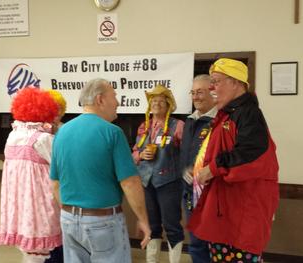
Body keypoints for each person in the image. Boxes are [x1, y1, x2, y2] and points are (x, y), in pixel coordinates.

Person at [188, 58, 279, 263]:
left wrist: (212, 168)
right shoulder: (227, 115)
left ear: (236, 83)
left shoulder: (248, 114)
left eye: (216, 81)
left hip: (241, 212)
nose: (211, 87)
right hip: (224, 210)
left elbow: (252, 153)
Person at [50, 78, 151, 263]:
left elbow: (55, 183)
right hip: (102, 222)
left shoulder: (61, 133)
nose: (118, 102)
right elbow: (130, 182)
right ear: (100, 99)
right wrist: (143, 219)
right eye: (114, 96)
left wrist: (71, 212)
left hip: (68, 219)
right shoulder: (112, 133)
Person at [0, 87, 64, 263]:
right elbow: (63, 167)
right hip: (41, 203)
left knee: (29, 252)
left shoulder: (13, 136)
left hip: (20, 204)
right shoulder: (43, 139)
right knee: (47, 252)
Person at [132, 85, 185, 263]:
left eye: (161, 101)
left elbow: (188, 153)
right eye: (153, 101)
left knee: (172, 225)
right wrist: (140, 155)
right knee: (152, 226)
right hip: (147, 182)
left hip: (169, 182)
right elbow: (134, 152)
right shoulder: (143, 126)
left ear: (168, 104)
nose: (156, 103)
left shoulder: (178, 126)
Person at [179, 74, 217, 263]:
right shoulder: (189, 121)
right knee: (196, 244)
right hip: (189, 195)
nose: (195, 97)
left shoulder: (221, 122)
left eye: (200, 92)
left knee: (214, 245)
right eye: (193, 93)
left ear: (213, 92)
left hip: (212, 197)